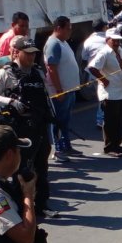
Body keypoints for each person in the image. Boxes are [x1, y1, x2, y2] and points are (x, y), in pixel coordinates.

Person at [0, 36, 55, 216]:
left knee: (41, 167)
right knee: (21, 169)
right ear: (16, 53)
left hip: (40, 127)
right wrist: (10, 101)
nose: (31, 57)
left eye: (33, 54)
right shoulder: (5, 73)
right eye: (27, 54)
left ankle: (42, 205)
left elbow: (46, 98)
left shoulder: (37, 73)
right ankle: (21, 207)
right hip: (20, 129)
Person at [87, 28, 122, 156]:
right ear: (107, 40)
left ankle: (117, 144)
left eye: (118, 41)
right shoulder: (104, 52)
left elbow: (121, 66)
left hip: (120, 92)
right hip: (109, 93)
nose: (117, 43)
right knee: (110, 121)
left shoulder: (118, 51)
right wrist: (103, 79)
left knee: (119, 120)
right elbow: (92, 67)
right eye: (114, 41)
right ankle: (109, 147)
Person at [44, 16, 81, 161]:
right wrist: (59, 91)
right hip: (61, 91)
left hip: (69, 89)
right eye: (68, 28)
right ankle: (59, 150)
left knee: (65, 120)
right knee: (58, 121)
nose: (70, 31)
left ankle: (67, 146)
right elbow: (51, 68)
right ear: (58, 28)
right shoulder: (53, 44)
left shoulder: (62, 42)